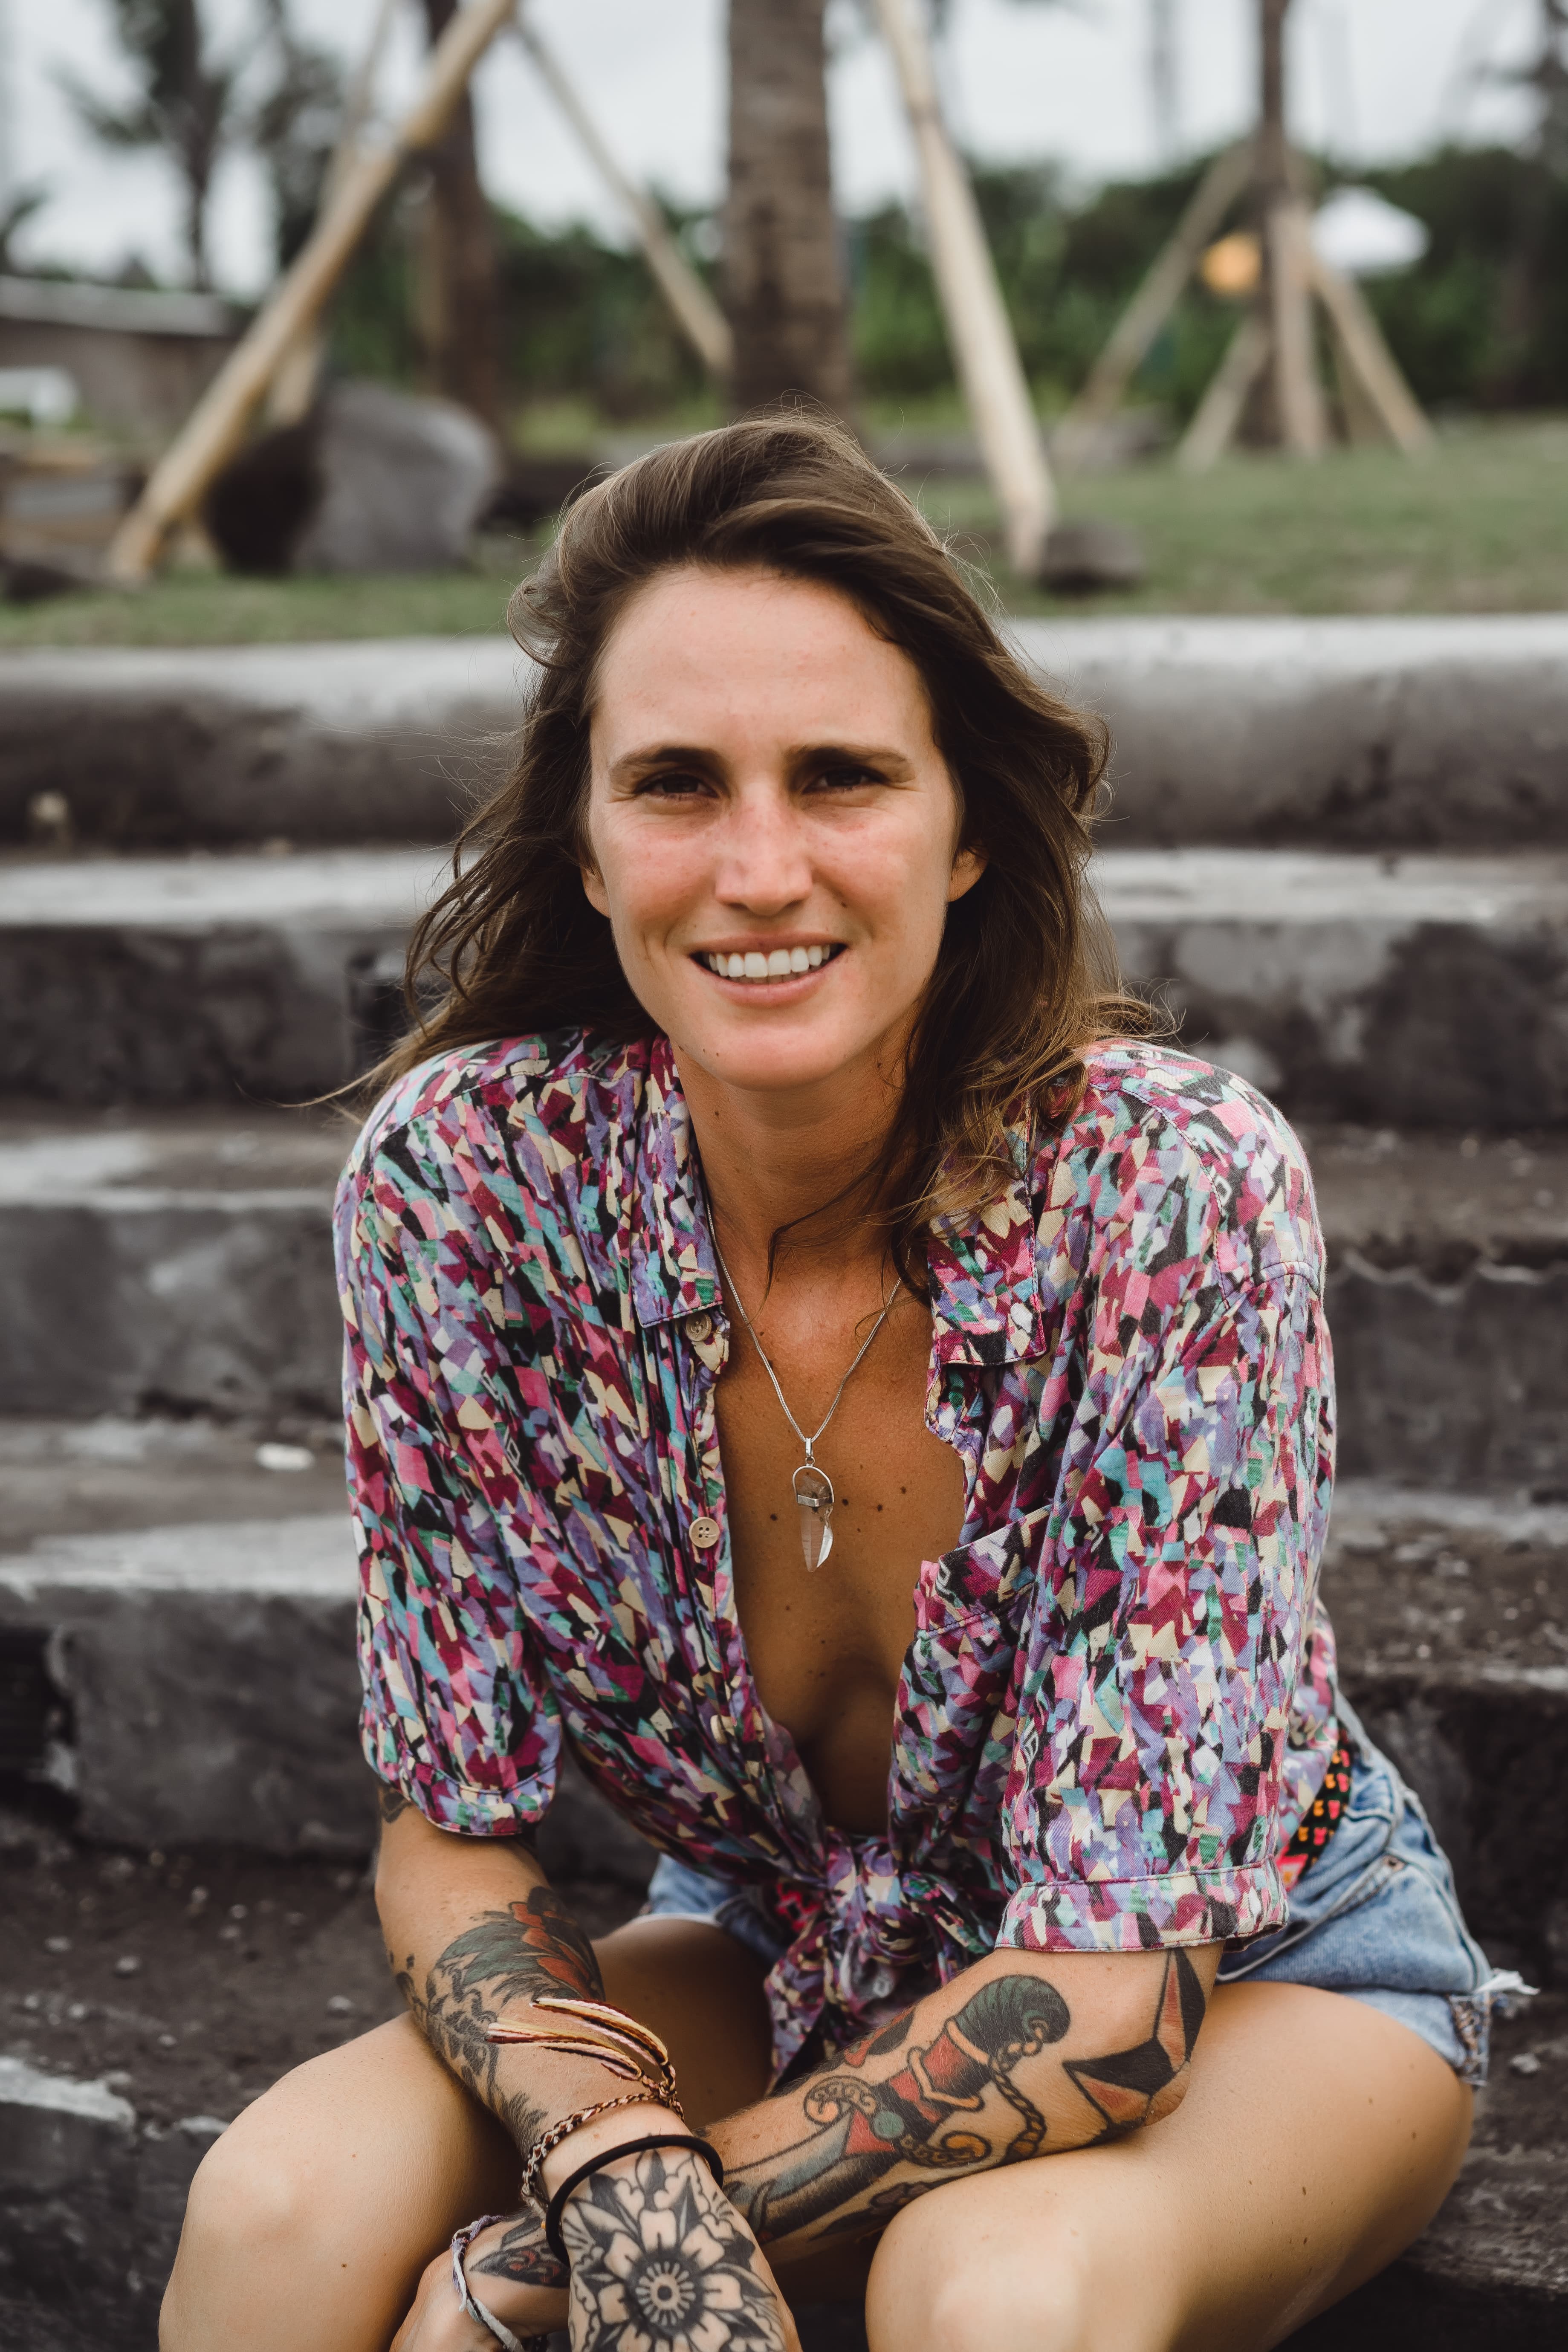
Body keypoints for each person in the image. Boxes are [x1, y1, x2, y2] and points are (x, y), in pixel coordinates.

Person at [162, 416, 1516, 2352]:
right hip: (784, 1936)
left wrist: (553, 2264)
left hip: (1246, 1973)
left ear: (965, 830)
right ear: (586, 839)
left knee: (992, 2290)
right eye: (676, 783)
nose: (758, 868)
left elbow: (1112, 1996)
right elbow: (451, 1819)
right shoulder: (467, 1187)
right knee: (282, 2206)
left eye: (840, 777)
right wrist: (610, 2162)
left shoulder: (1168, 1190)